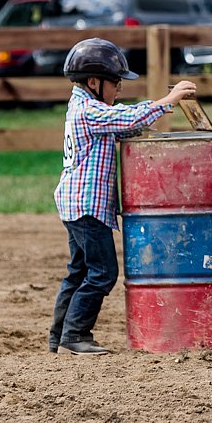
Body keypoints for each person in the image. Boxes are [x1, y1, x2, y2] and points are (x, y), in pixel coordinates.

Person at [49, 37, 196, 356]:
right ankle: (75, 334)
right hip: (87, 206)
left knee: (79, 272)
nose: (120, 89)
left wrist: (145, 125)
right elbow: (126, 119)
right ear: (93, 82)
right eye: (115, 83)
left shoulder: (84, 107)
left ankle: (59, 336)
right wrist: (167, 100)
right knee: (103, 273)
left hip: (77, 204)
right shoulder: (90, 110)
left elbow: (121, 127)